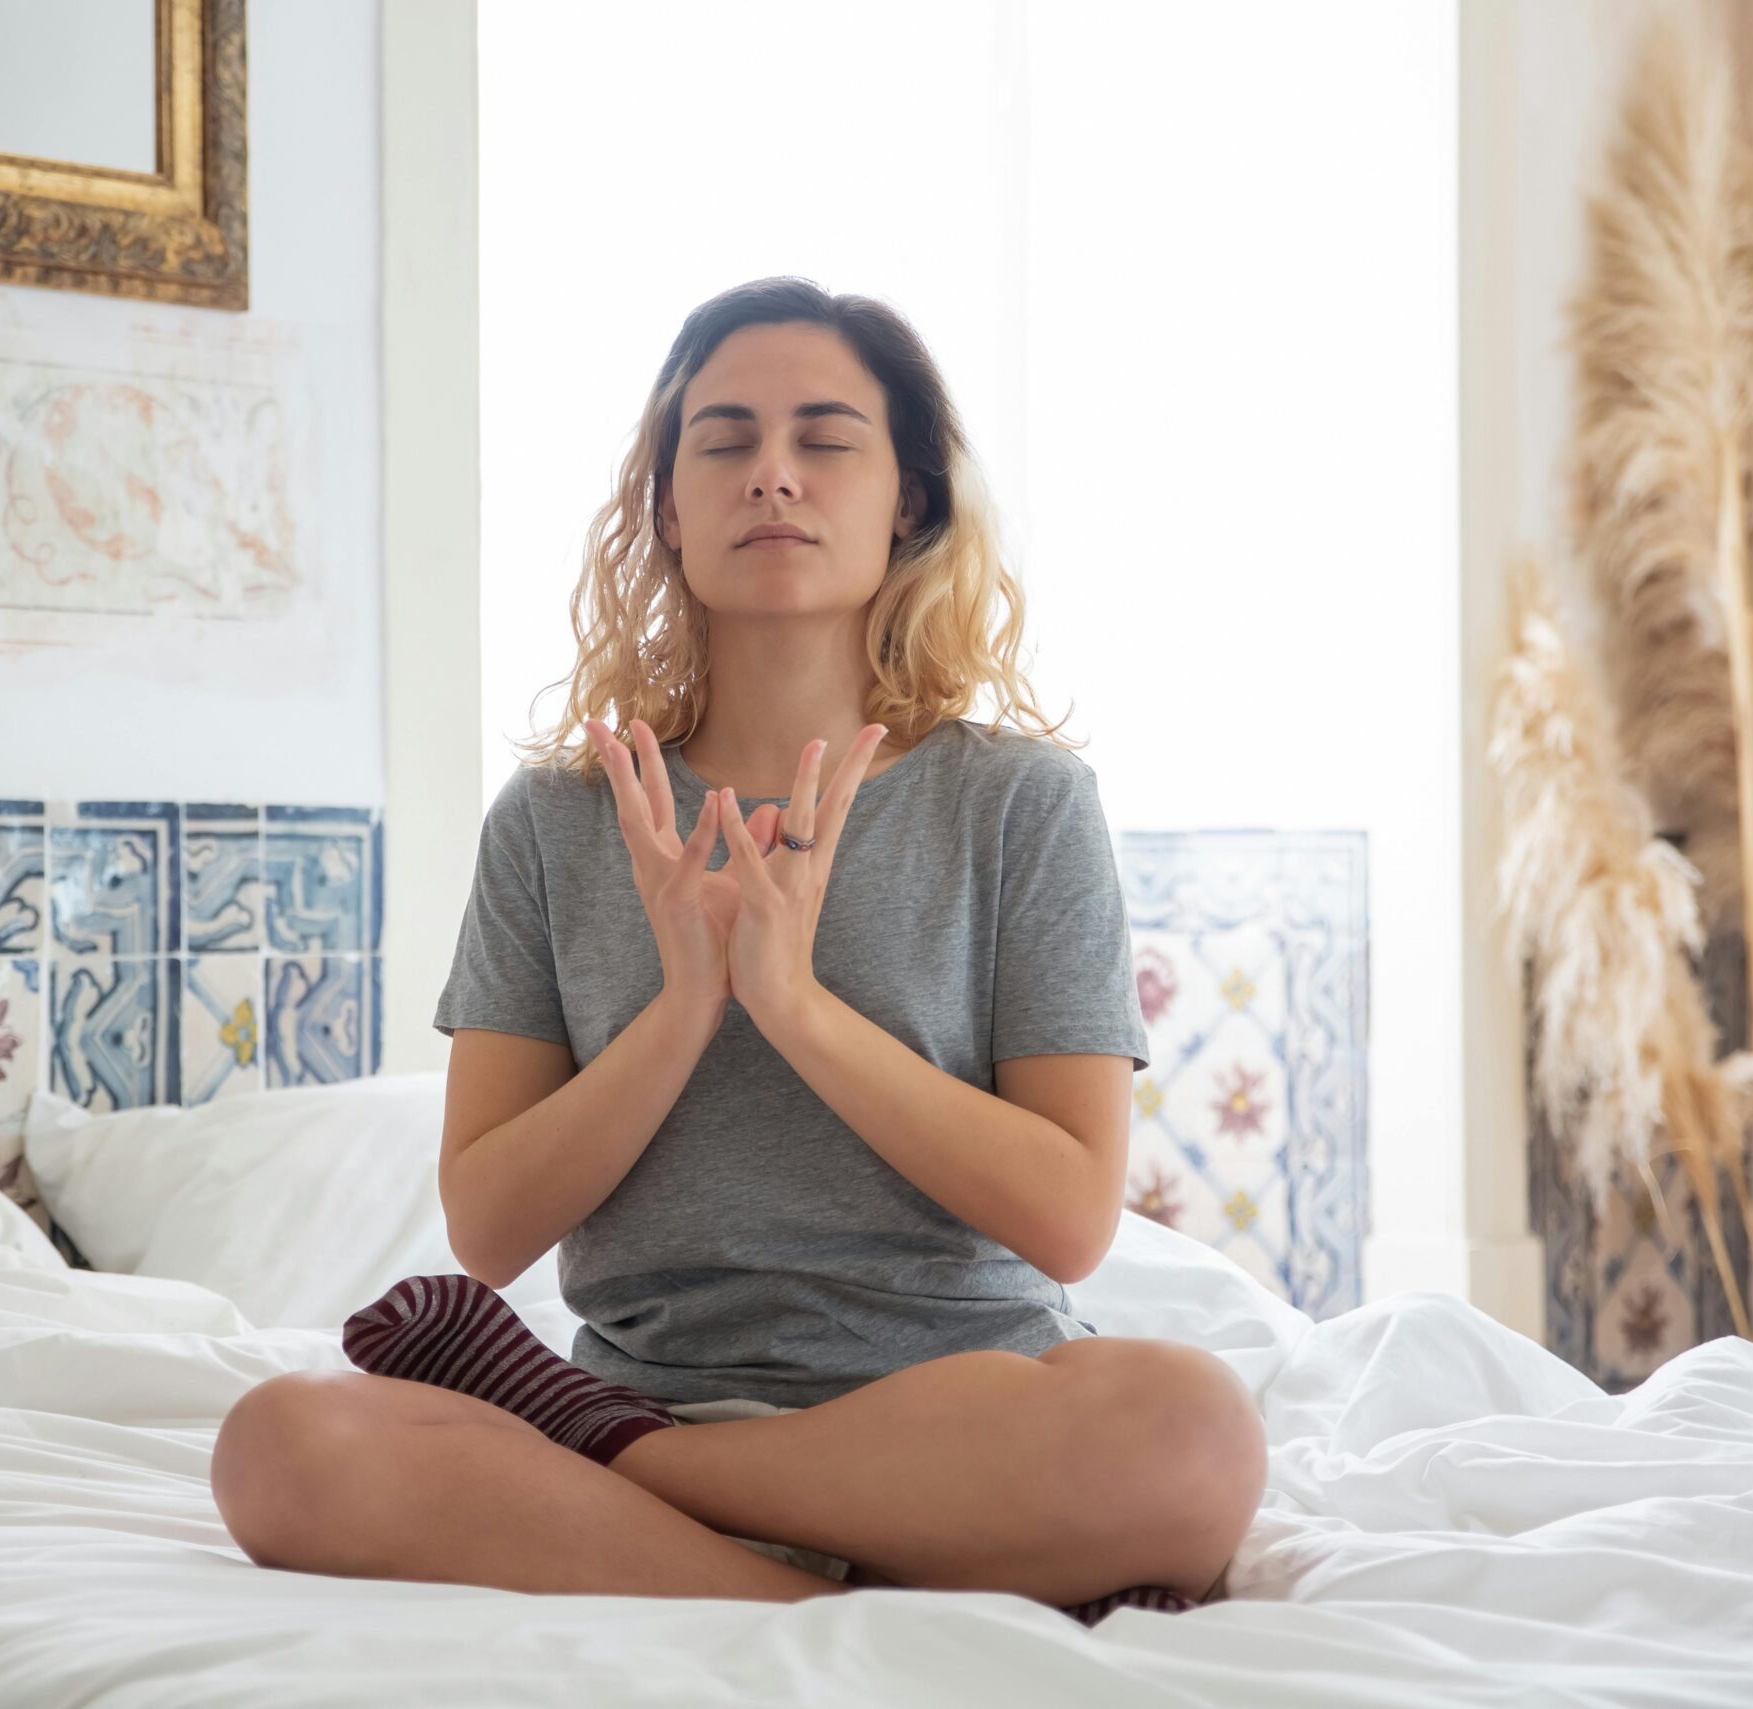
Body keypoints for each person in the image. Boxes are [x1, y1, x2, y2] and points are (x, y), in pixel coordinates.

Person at [212, 277, 1266, 1626]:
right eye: (722, 441)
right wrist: (684, 1008)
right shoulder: (554, 821)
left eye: (825, 439)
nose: (772, 475)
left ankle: (658, 1493)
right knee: (280, 1447)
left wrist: (796, 1005)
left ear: (909, 500)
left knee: (1191, 1434)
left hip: (955, 1414)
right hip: (649, 1376)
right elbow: (486, 1225)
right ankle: (804, 1587)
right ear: (666, 505)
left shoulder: (1019, 804)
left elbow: (1068, 1215)